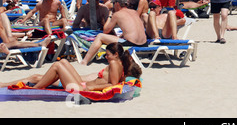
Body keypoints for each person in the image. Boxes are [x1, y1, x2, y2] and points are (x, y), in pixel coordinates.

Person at [0, 43, 142, 91]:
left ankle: (33, 90)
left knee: (57, 65)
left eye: (108, 54)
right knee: (62, 63)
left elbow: (113, 84)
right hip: (82, 84)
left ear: (116, 54)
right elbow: (114, 82)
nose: (106, 56)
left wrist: (91, 88)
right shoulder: (117, 63)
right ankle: (6, 85)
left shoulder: (114, 63)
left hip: (81, 87)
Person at [80, 0, 147, 65]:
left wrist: (110, 15)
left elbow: (105, 30)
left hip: (132, 43)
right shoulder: (134, 12)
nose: (113, 6)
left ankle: (85, 61)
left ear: (117, 4)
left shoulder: (117, 14)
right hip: (144, 43)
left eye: (113, 4)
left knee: (100, 36)